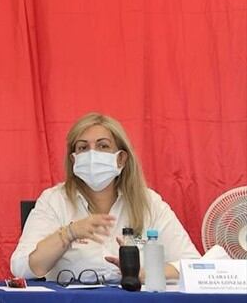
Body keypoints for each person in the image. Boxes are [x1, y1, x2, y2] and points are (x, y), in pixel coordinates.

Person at [10, 112, 201, 283]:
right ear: (73, 160)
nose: (92, 154)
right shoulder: (54, 200)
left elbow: (192, 265)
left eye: (103, 146)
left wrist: (147, 274)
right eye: (83, 148)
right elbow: (21, 268)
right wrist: (69, 233)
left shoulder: (150, 203)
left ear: (121, 159)